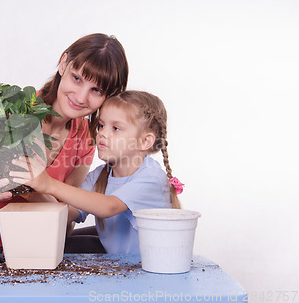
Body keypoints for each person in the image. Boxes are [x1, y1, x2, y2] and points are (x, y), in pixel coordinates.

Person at [0, 33, 129, 251]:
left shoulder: (85, 136)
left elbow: (65, 213)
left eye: (96, 90)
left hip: (18, 257)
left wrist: (39, 191)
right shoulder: (8, 110)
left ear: (110, 96)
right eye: (77, 78)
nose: (81, 97)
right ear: (63, 63)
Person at [10, 90, 183, 255]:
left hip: (147, 272)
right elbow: (67, 213)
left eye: (115, 128)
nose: (102, 134)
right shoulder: (100, 175)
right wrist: (31, 190)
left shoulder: (151, 177)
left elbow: (108, 206)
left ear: (145, 141)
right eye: (101, 125)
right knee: (62, 244)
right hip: (119, 266)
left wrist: (49, 184)